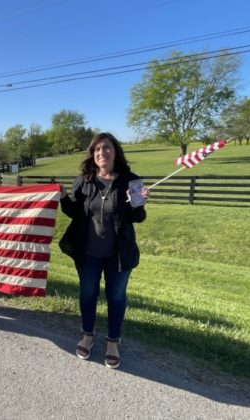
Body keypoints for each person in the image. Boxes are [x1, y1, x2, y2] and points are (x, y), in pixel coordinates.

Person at [59, 132, 149, 369]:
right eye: (97, 149)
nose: (102, 153)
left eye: (107, 148)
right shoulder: (83, 181)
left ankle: (112, 342)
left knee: (116, 297)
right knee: (87, 294)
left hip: (118, 255)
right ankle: (87, 335)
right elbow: (76, 213)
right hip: (87, 253)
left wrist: (138, 202)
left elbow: (138, 218)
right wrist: (63, 198)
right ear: (93, 154)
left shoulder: (131, 180)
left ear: (115, 151)